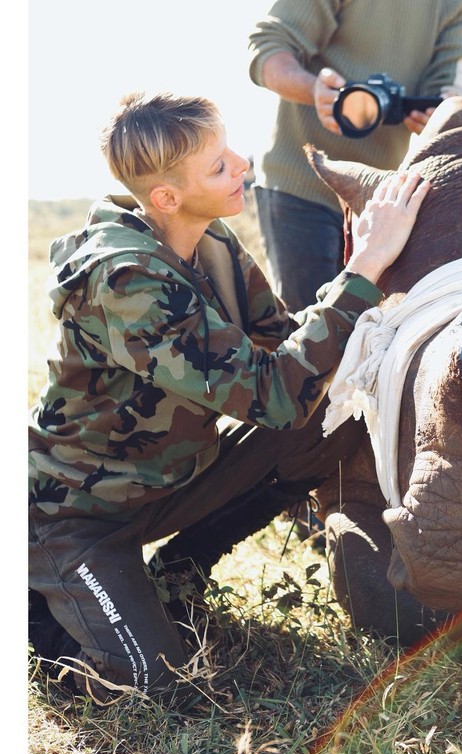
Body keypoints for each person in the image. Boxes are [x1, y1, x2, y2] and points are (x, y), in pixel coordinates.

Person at [28, 91, 429, 706]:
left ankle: (175, 575)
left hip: (168, 484)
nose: (242, 164)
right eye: (218, 166)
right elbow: (276, 396)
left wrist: (391, 300)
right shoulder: (127, 281)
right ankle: (48, 612)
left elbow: (292, 355)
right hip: (74, 519)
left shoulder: (212, 243)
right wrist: (368, 266)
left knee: (335, 419)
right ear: (167, 197)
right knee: (163, 687)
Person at [249, 0, 462, 312]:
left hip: (378, 201)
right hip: (299, 185)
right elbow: (266, 49)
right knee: (307, 330)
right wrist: (315, 91)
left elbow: (453, 80)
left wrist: (441, 105)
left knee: (366, 330)